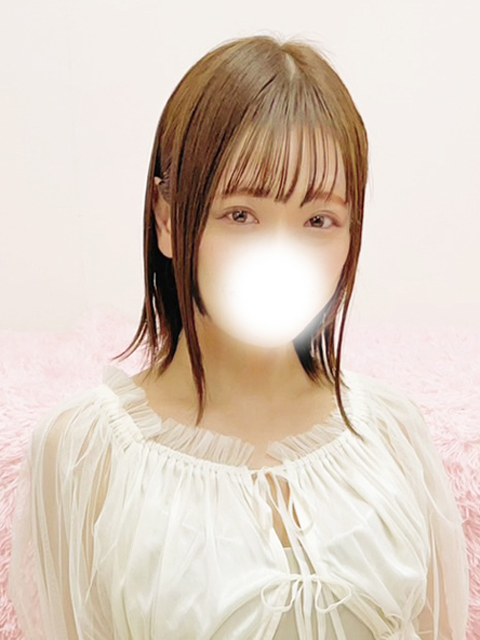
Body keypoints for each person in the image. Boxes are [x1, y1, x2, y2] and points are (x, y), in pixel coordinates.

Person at [8, 33, 469, 640]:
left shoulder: (391, 431)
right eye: (241, 214)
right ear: (168, 218)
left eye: (319, 219)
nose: (281, 255)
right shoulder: (81, 450)